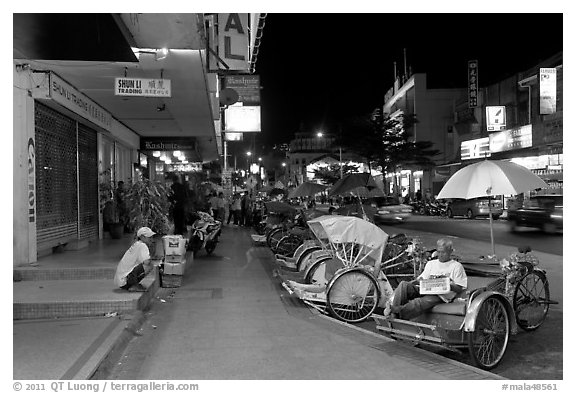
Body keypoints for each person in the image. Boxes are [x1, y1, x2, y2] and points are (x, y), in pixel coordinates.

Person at [383, 238, 467, 320]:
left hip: (442, 296)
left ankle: (395, 311)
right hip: (427, 289)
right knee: (403, 285)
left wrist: (449, 285)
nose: (440, 255)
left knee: (419, 302)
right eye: (439, 252)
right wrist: (419, 281)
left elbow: (459, 288)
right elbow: (422, 278)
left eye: (443, 252)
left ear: (450, 251)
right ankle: (394, 312)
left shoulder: (456, 266)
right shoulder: (431, 264)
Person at [114, 227, 156, 292]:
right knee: (150, 265)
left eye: (151, 237)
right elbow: (147, 262)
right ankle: (133, 285)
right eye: (149, 237)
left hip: (121, 281)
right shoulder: (142, 246)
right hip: (125, 280)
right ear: (142, 237)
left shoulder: (137, 244)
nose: (151, 239)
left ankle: (133, 284)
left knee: (147, 264)